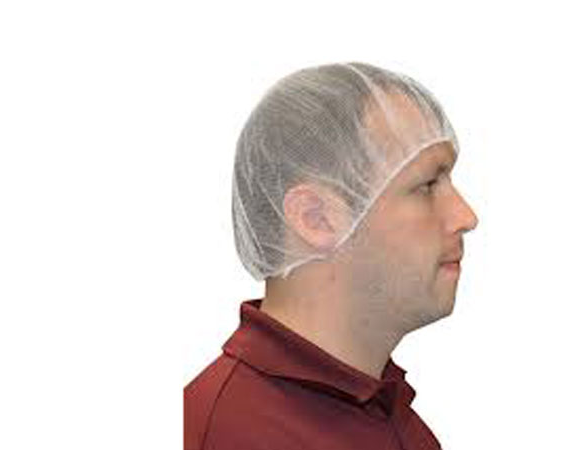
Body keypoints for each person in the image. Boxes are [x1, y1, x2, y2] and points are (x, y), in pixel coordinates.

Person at [184, 62, 479, 450]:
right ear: (315, 218)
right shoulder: (229, 432)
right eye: (426, 185)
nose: (466, 217)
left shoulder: (389, 416)